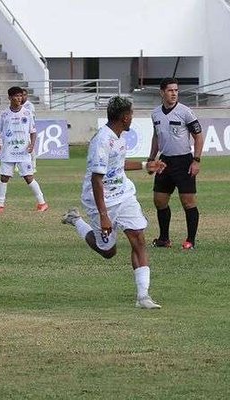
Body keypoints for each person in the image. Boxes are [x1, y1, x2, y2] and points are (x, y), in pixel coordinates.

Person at [61, 96, 166, 309]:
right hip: (102, 201)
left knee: (138, 239)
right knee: (108, 251)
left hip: (124, 195)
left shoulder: (119, 136)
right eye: (132, 114)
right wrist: (104, 215)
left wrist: (147, 165)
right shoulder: (102, 141)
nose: (133, 118)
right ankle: (76, 220)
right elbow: (97, 179)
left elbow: (118, 164)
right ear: (125, 118)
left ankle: (143, 297)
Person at [148, 77, 204, 250]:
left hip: (183, 161)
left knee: (188, 202)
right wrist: (151, 158)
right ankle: (164, 239)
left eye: (176, 90)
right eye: (170, 90)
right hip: (164, 161)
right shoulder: (155, 113)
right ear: (162, 92)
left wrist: (196, 160)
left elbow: (198, 136)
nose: (174, 94)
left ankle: (190, 241)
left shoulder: (185, 112)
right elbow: (156, 136)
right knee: (159, 200)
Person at [0, 86, 48, 213]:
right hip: (8, 151)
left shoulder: (27, 113)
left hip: (23, 151)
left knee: (28, 177)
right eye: (16, 96)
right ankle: (0, 205)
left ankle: (42, 203)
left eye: (20, 96)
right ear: (10, 97)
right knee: (4, 177)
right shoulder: (4, 114)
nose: (19, 98)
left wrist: (31, 145)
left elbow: (33, 132)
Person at [21, 88, 38, 173]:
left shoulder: (29, 106)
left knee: (30, 147)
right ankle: (17, 165)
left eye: (24, 95)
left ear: (27, 96)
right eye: (21, 95)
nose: (22, 97)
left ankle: (33, 165)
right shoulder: (16, 105)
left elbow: (31, 119)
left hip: (27, 130)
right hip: (18, 130)